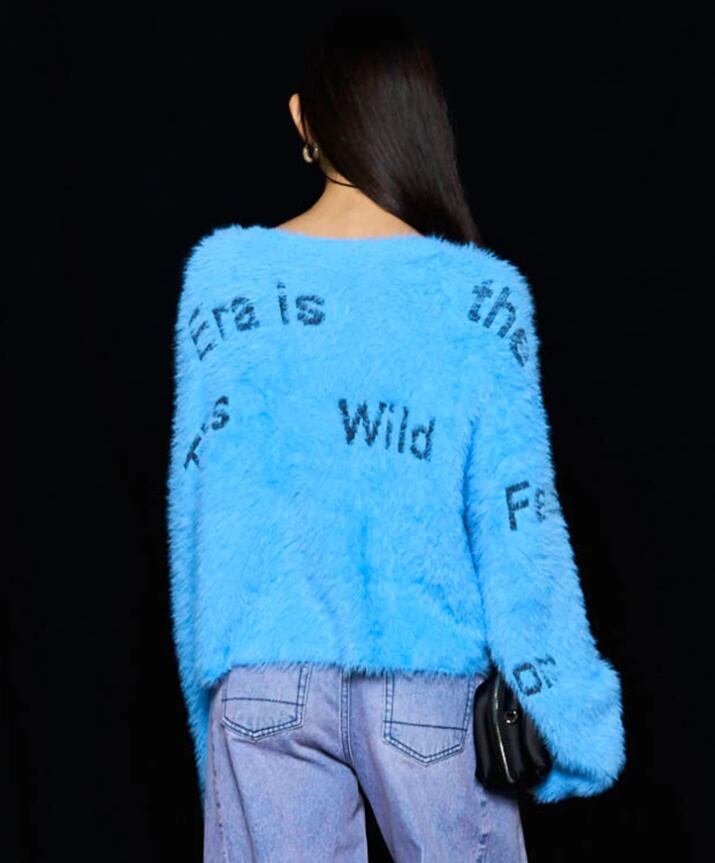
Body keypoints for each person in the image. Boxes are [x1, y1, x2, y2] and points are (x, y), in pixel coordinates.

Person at [166, 9, 626, 862]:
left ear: (303, 119)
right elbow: (518, 525)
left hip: (263, 676)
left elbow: (198, 523)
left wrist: (211, 706)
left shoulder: (222, 283)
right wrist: (572, 716)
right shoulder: (480, 300)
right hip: (427, 688)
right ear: (419, 121)